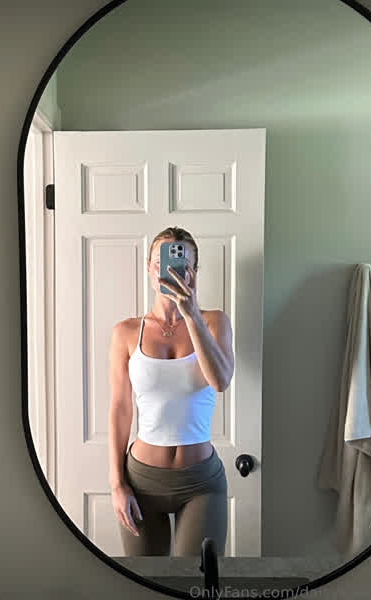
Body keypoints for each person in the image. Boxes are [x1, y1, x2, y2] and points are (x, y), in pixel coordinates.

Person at [108, 226, 234, 556]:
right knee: (143, 579)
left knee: (199, 578)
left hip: (201, 482)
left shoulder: (214, 322)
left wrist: (191, 315)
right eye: (161, 263)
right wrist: (117, 483)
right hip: (141, 479)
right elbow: (120, 409)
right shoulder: (126, 332)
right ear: (150, 268)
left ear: (194, 272)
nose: (171, 271)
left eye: (183, 265)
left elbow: (220, 381)